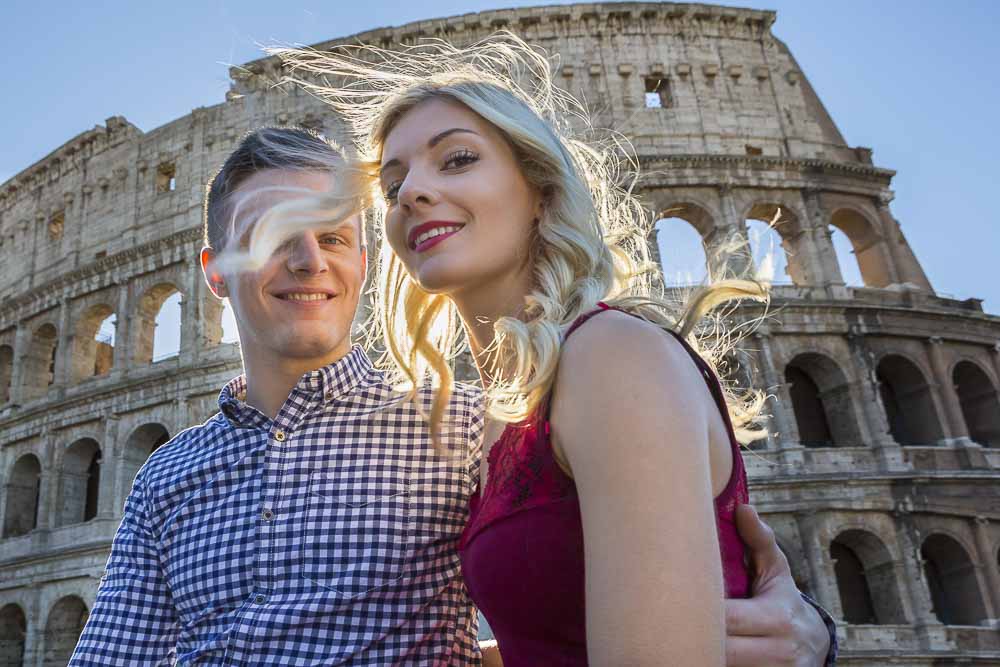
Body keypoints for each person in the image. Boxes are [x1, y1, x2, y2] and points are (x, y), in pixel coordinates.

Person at [69, 126, 834, 665]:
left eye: (333, 236)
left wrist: (813, 632)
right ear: (214, 271)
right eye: (271, 234)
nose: (309, 259)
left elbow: (597, 596)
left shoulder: (470, 429)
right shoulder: (166, 478)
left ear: (364, 262)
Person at [271, 33, 840, 666]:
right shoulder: (504, 410)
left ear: (540, 189)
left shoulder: (611, 356)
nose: (410, 193)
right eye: (394, 182)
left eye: (456, 159)